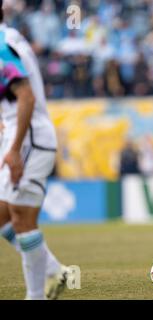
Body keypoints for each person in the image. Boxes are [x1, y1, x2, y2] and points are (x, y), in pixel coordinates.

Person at [0, 3, 69, 300]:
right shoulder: (11, 37)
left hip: (28, 138)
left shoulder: (2, 45)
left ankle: (35, 295)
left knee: (22, 216)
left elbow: (25, 96)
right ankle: (54, 270)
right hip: (19, 134)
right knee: (3, 217)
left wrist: (15, 149)